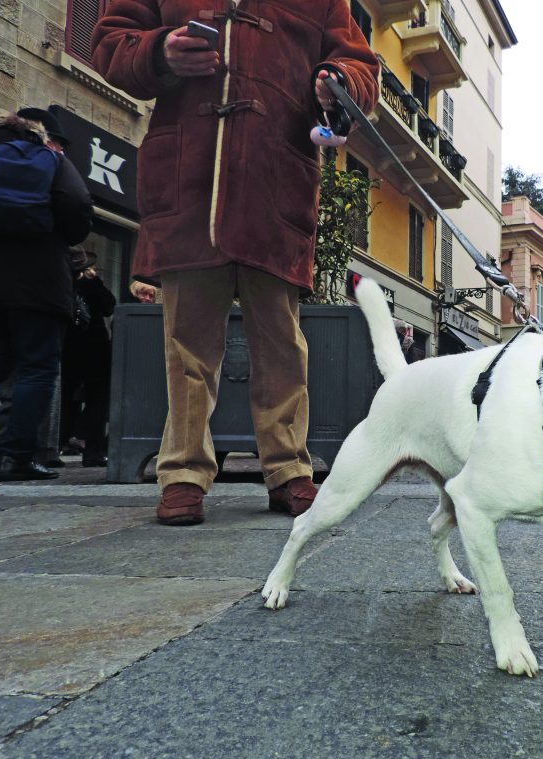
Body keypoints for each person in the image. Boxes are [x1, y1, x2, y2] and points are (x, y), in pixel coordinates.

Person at [92, 1, 380, 524]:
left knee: (283, 344)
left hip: (275, 186)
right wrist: (160, 50)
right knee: (187, 346)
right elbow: (112, 43)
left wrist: (338, 83)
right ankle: (182, 474)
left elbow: (362, 66)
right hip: (188, 184)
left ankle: (289, 469)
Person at [0, 110, 93, 480]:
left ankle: (11, 454)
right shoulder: (47, 157)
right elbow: (77, 207)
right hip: (38, 279)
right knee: (38, 367)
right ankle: (16, 457)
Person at [60, 250, 116, 467]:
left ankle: (57, 445)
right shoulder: (90, 285)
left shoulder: (62, 282)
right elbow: (108, 306)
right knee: (97, 400)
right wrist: (96, 283)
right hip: (93, 347)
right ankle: (92, 452)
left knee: (66, 398)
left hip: (68, 345)